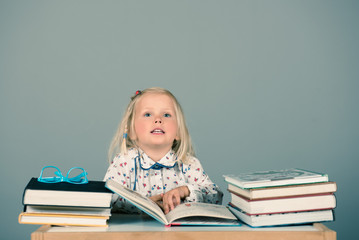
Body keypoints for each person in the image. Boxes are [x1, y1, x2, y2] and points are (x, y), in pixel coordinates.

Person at [104, 87, 223, 214]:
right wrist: (143, 204)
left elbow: (216, 196)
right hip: (135, 232)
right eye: (148, 114)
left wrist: (186, 190)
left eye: (166, 115)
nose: (158, 119)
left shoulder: (188, 163)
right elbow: (107, 199)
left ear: (178, 131)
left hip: (180, 233)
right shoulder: (123, 162)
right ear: (132, 131)